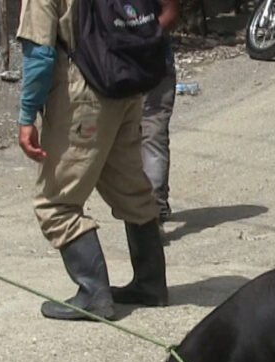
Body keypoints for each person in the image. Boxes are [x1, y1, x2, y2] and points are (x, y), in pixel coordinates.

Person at [16, 0, 169, 321]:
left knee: (55, 204)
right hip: (125, 87)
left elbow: (40, 55)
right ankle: (151, 284)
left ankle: (94, 295)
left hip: (83, 95)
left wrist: (27, 116)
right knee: (132, 192)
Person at [142, 0, 180, 224]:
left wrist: (136, 42)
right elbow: (172, 14)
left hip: (150, 66)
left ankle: (151, 211)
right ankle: (151, 209)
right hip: (125, 67)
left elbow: (171, 14)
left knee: (150, 134)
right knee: (148, 137)